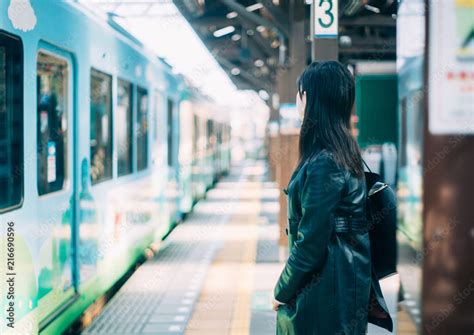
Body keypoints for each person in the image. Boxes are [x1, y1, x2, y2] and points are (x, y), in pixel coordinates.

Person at [272, 61, 392, 334]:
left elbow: (311, 241)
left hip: (325, 293)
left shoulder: (323, 162)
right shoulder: (342, 152)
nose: (298, 101)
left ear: (312, 98)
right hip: (340, 287)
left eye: (301, 93)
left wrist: (281, 290)